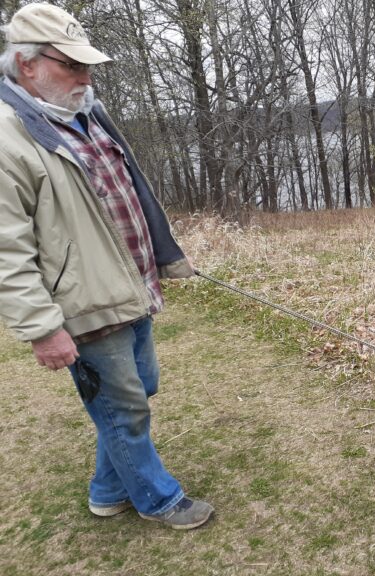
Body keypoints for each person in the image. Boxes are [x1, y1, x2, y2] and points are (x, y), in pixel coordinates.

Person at [0, 3, 213, 529]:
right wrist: (42, 328)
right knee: (124, 409)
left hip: (129, 287)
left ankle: (107, 490)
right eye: (71, 65)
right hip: (84, 303)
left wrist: (163, 257)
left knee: (140, 389)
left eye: (87, 65)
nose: (85, 77)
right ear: (26, 63)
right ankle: (158, 499)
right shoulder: (8, 138)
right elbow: (7, 250)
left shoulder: (84, 114)